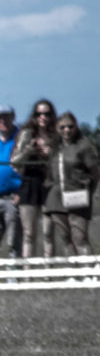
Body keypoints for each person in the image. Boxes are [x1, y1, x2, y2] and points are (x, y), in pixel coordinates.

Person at [44, 113, 100, 256]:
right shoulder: (55, 149)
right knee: (65, 237)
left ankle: (89, 273)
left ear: (76, 126)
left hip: (77, 194)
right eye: (62, 127)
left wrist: (90, 191)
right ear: (57, 129)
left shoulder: (83, 146)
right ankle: (73, 273)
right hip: (56, 197)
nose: (67, 130)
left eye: (70, 126)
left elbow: (96, 173)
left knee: (79, 237)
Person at [11, 100, 58, 258]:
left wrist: (50, 153)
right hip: (29, 183)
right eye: (39, 114)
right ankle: (27, 275)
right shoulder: (26, 133)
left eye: (46, 114)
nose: (43, 117)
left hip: (49, 184)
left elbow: (63, 161)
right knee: (29, 234)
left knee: (48, 233)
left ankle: (47, 275)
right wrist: (28, 150)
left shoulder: (57, 135)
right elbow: (14, 162)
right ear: (34, 115)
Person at [0, 105, 22, 258]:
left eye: (6, 116)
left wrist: (21, 193)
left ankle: (14, 278)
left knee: (14, 240)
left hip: (13, 197)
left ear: (13, 117)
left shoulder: (21, 138)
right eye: (0, 117)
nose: (3, 120)